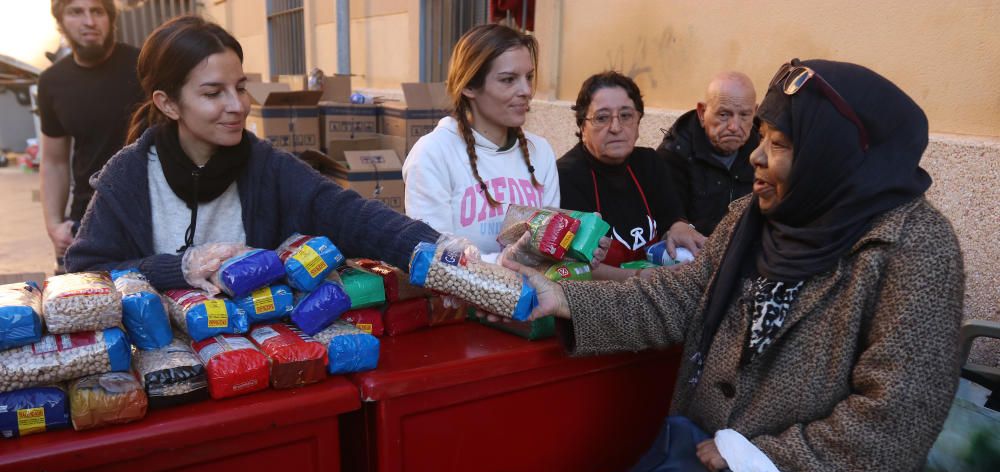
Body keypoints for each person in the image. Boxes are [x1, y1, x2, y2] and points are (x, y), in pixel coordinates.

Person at [506, 59, 964, 472]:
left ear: (835, 156)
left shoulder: (914, 248)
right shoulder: (755, 216)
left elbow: (895, 418)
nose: (756, 155)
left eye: (778, 143)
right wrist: (566, 298)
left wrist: (760, 460)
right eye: (761, 137)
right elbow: (683, 295)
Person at [65, 16, 439, 288]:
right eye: (213, 93)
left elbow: (354, 216)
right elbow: (85, 275)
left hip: (258, 362)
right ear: (168, 104)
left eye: (240, 87)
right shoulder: (128, 176)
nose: (237, 106)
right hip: (165, 370)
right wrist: (177, 268)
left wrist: (441, 252)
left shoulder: (269, 167)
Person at [402, 23, 559, 254]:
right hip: (459, 291)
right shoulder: (433, 153)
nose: (526, 90)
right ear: (469, 86)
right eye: (508, 79)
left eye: (529, 77)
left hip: (536, 289)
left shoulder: (541, 151)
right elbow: (437, 258)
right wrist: (505, 263)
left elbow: (547, 249)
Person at [37, 0, 144, 273]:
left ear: (110, 18)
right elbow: (54, 161)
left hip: (146, 214)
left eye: (97, 11)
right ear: (61, 21)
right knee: (82, 309)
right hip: (86, 219)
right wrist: (53, 225)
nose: (89, 21)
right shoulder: (52, 82)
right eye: (76, 12)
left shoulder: (143, 66)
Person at [558, 71, 685, 280]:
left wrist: (681, 227)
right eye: (602, 118)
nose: (616, 128)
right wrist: (640, 277)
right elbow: (573, 268)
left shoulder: (650, 163)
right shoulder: (566, 176)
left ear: (638, 122)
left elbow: (671, 220)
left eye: (626, 116)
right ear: (583, 127)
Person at [656, 71, 757, 251]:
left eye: (744, 115)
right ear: (702, 113)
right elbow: (670, 225)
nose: (734, 126)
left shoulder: (764, 153)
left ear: (754, 113)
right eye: (724, 114)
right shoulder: (673, 157)